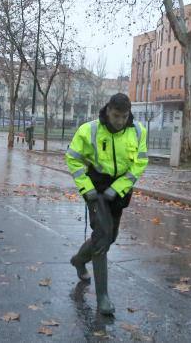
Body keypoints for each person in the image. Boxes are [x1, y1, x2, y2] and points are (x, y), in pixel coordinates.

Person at [65, 93, 148, 315]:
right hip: (96, 188)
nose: (120, 121)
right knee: (102, 239)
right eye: (116, 116)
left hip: (119, 190)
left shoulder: (138, 131)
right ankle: (103, 298)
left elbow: (140, 163)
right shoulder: (89, 130)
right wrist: (87, 188)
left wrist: (118, 188)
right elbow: (72, 158)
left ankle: (79, 259)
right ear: (107, 110)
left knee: (110, 236)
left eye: (124, 116)